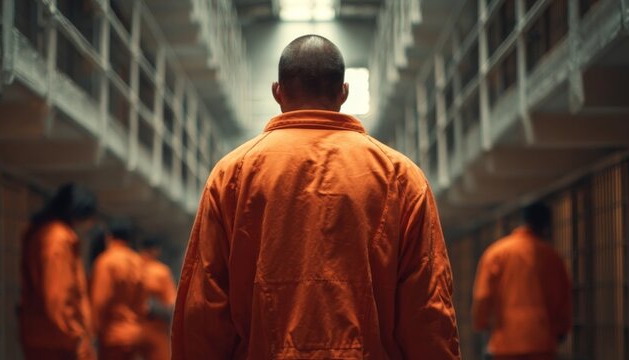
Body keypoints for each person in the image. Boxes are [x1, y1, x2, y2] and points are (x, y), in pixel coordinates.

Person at [172, 34, 461, 359]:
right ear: (344, 92)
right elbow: (428, 309)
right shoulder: (401, 176)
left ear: (277, 92)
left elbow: (203, 309)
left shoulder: (232, 174)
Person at [472, 203, 573, 360]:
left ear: (523, 222)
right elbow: (563, 299)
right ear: (546, 227)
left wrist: (481, 323)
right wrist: (561, 330)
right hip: (542, 344)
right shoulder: (553, 257)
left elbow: (483, 296)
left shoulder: (496, 253)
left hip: (505, 344)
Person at [19, 183, 98, 359]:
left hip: (47, 337)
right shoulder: (57, 240)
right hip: (58, 342)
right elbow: (58, 296)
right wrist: (76, 337)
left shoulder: (45, 234)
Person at [90, 218, 152, 360]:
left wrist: (92, 334)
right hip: (134, 334)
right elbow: (143, 303)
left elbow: (99, 302)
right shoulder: (139, 262)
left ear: (109, 237)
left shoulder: (106, 261)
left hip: (112, 336)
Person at [138, 237, 176, 360]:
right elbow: (171, 304)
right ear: (156, 250)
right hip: (156, 328)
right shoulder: (161, 271)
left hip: (131, 328)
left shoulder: (132, 267)